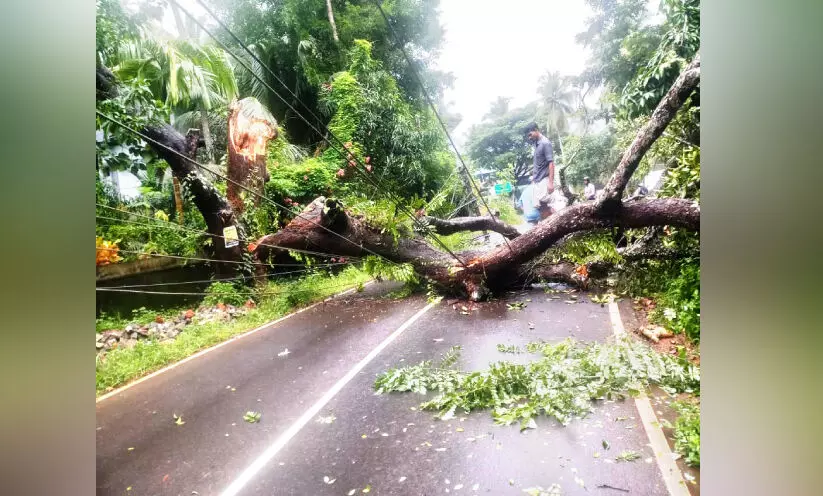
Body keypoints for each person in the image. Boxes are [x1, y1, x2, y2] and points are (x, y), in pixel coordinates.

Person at [524, 122, 566, 217]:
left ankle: (562, 221)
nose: (529, 138)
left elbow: (551, 163)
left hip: (545, 179)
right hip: (537, 180)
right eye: (528, 136)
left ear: (536, 130)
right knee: (540, 206)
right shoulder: (535, 143)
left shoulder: (545, 143)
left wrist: (550, 183)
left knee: (555, 204)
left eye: (530, 134)